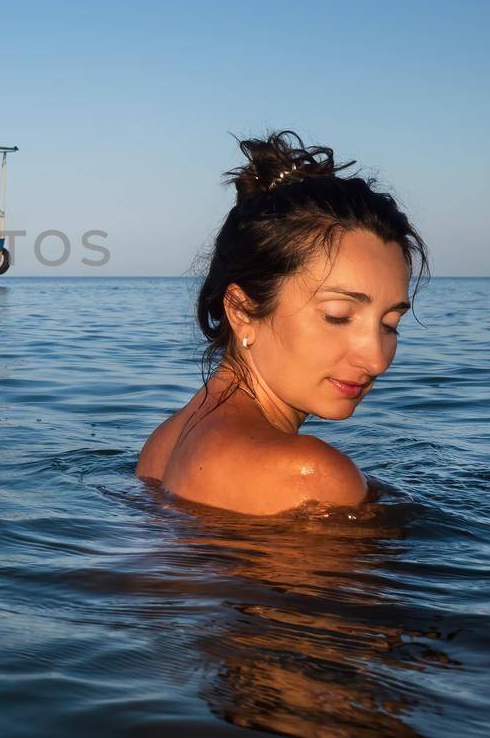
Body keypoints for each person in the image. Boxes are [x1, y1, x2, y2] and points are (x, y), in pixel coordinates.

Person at [136, 131, 427, 516]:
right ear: (241, 310)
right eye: (338, 316)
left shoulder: (164, 442)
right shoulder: (311, 476)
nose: (376, 360)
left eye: (390, 324)